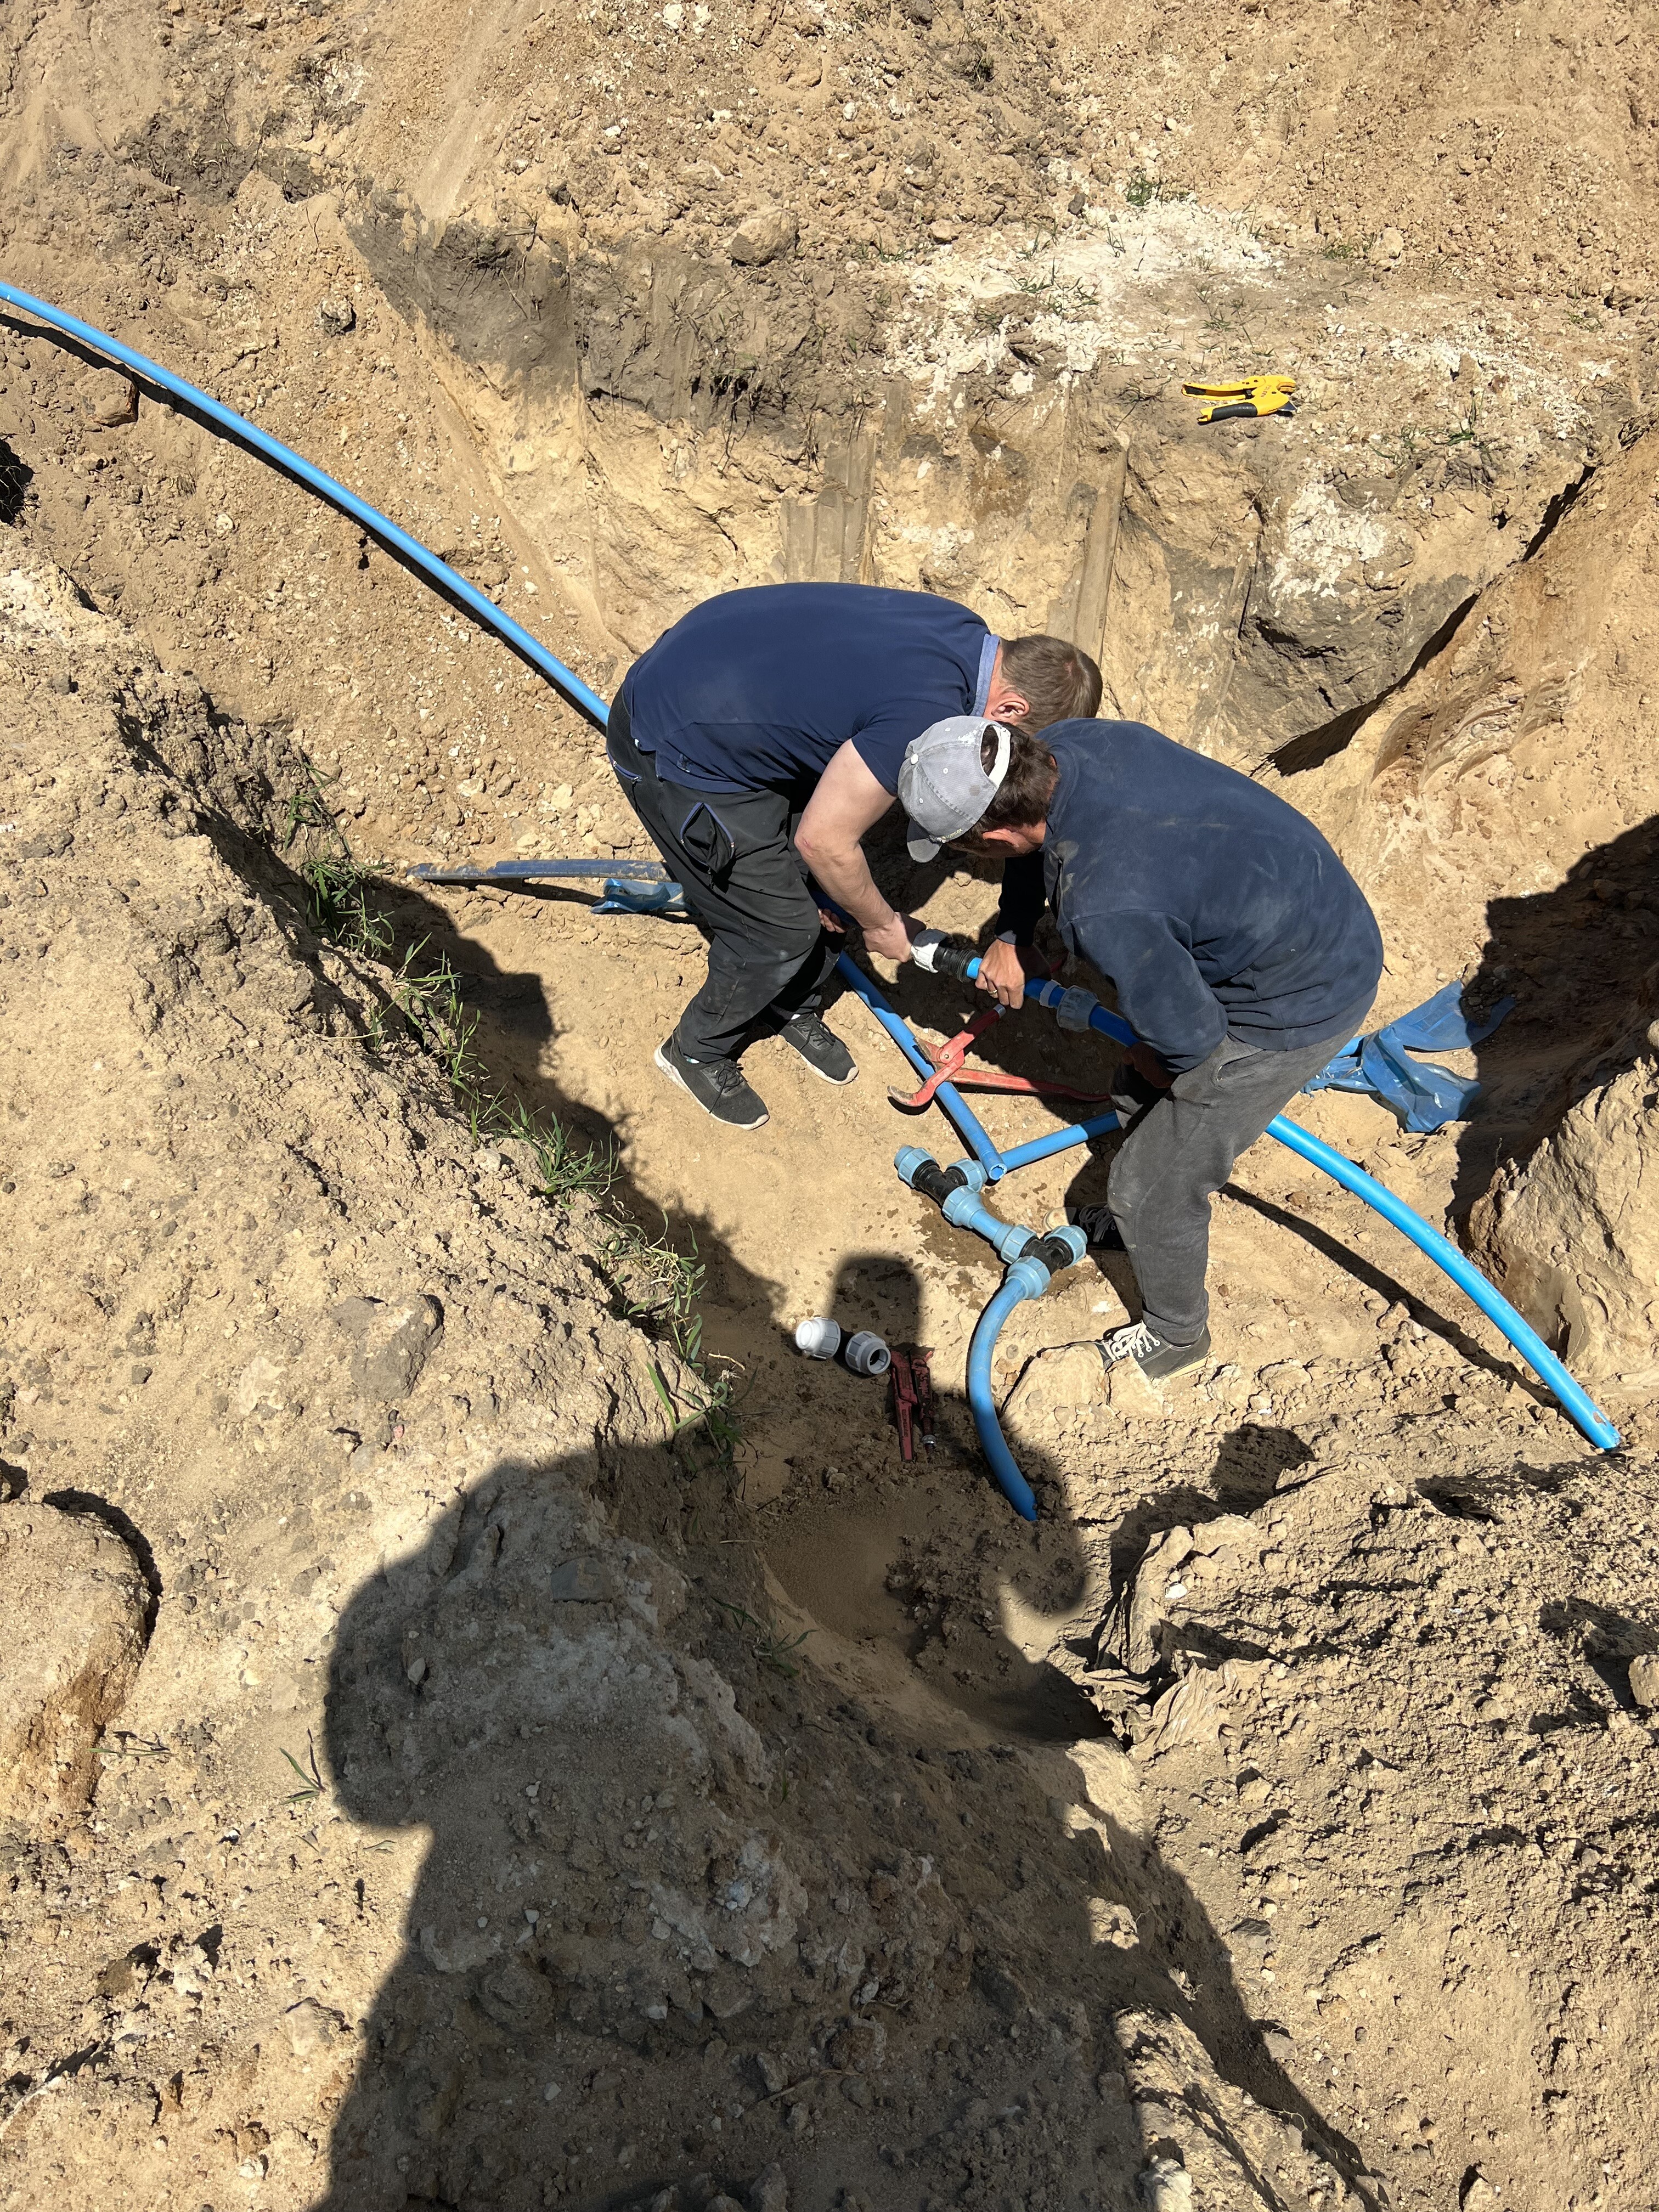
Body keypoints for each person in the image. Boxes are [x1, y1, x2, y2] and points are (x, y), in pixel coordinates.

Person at [897, 713, 1384, 1384]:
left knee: (1147, 1186)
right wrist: (1014, 932)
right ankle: (1145, 1234)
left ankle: (1177, 1334)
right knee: (1133, 1091)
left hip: (1295, 1002)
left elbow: (1193, 1042)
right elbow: (1033, 853)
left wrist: (1164, 1062)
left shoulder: (1104, 903)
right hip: (1309, 909)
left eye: (965, 847)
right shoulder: (1074, 744)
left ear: (998, 835)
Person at [607, 582, 1101, 1130]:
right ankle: (696, 1050)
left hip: (720, 684)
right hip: (673, 740)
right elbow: (822, 841)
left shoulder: (966, 636)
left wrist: (1013, 932)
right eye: (1016, 746)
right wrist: (884, 925)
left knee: (829, 890)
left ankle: (789, 1001)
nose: (1012, 767)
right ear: (1010, 707)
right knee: (779, 927)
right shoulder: (922, 713)